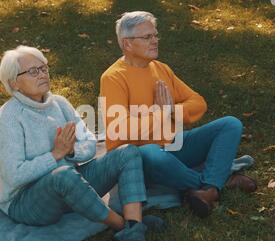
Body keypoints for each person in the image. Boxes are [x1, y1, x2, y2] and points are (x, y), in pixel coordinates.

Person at [0, 45, 164, 241]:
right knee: (62, 174)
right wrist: (56, 154)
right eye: (32, 71)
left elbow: (90, 144)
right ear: (14, 83)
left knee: (128, 152)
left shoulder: (60, 103)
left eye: (44, 68)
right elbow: (13, 176)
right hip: (26, 201)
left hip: (71, 184)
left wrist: (71, 152)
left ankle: (134, 225)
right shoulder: (8, 118)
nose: (42, 74)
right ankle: (122, 226)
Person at [100, 11, 257, 218]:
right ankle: (219, 182)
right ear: (127, 44)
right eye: (147, 37)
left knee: (230, 124)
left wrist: (172, 109)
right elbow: (120, 130)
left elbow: (198, 103)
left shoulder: (161, 68)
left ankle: (208, 190)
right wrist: (161, 114)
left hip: (174, 145)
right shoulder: (113, 78)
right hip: (138, 160)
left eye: (155, 35)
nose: (155, 41)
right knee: (150, 153)